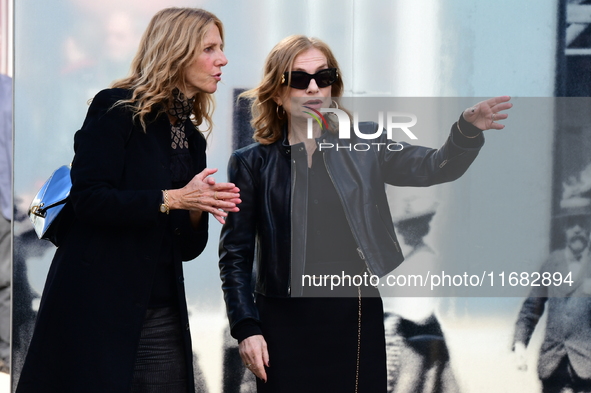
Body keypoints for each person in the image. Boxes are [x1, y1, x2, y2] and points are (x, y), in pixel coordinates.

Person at [219, 34, 511, 393]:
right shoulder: (250, 163)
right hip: (282, 322)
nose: (314, 88)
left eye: (324, 78)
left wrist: (465, 131)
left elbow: (435, 167)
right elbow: (235, 255)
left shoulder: (365, 144)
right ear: (278, 93)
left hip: (353, 318)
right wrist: (246, 328)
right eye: (299, 79)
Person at [16, 7, 239, 393]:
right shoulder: (116, 108)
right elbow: (89, 199)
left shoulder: (191, 137)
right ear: (177, 52)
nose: (222, 58)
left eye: (221, 47)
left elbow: (186, 249)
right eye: (209, 48)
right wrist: (172, 198)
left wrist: (199, 207)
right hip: (95, 306)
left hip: (161, 313)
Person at [513, 193, 591, 393]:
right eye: (572, 224)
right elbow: (531, 308)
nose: (577, 230)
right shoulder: (551, 264)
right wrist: (520, 344)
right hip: (552, 367)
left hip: (586, 369)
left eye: (582, 223)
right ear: (564, 228)